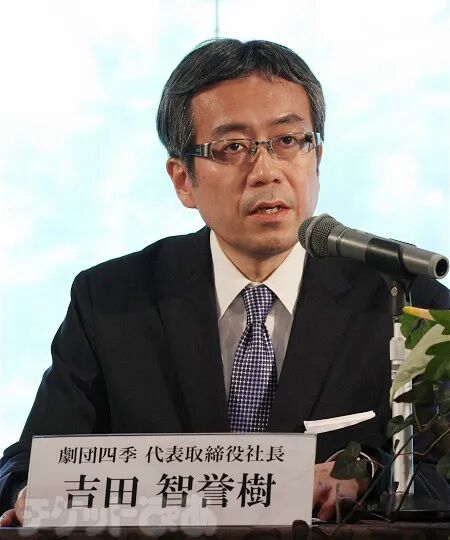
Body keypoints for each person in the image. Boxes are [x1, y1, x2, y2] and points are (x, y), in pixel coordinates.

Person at [1, 38, 449, 527]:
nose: (266, 172)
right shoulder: (110, 301)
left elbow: (440, 471)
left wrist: (370, 478)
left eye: (288, 140)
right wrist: (28, 492)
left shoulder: (403, 297)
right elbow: (28, 464)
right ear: (183, 180)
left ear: (317, 157)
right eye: (233, 147)